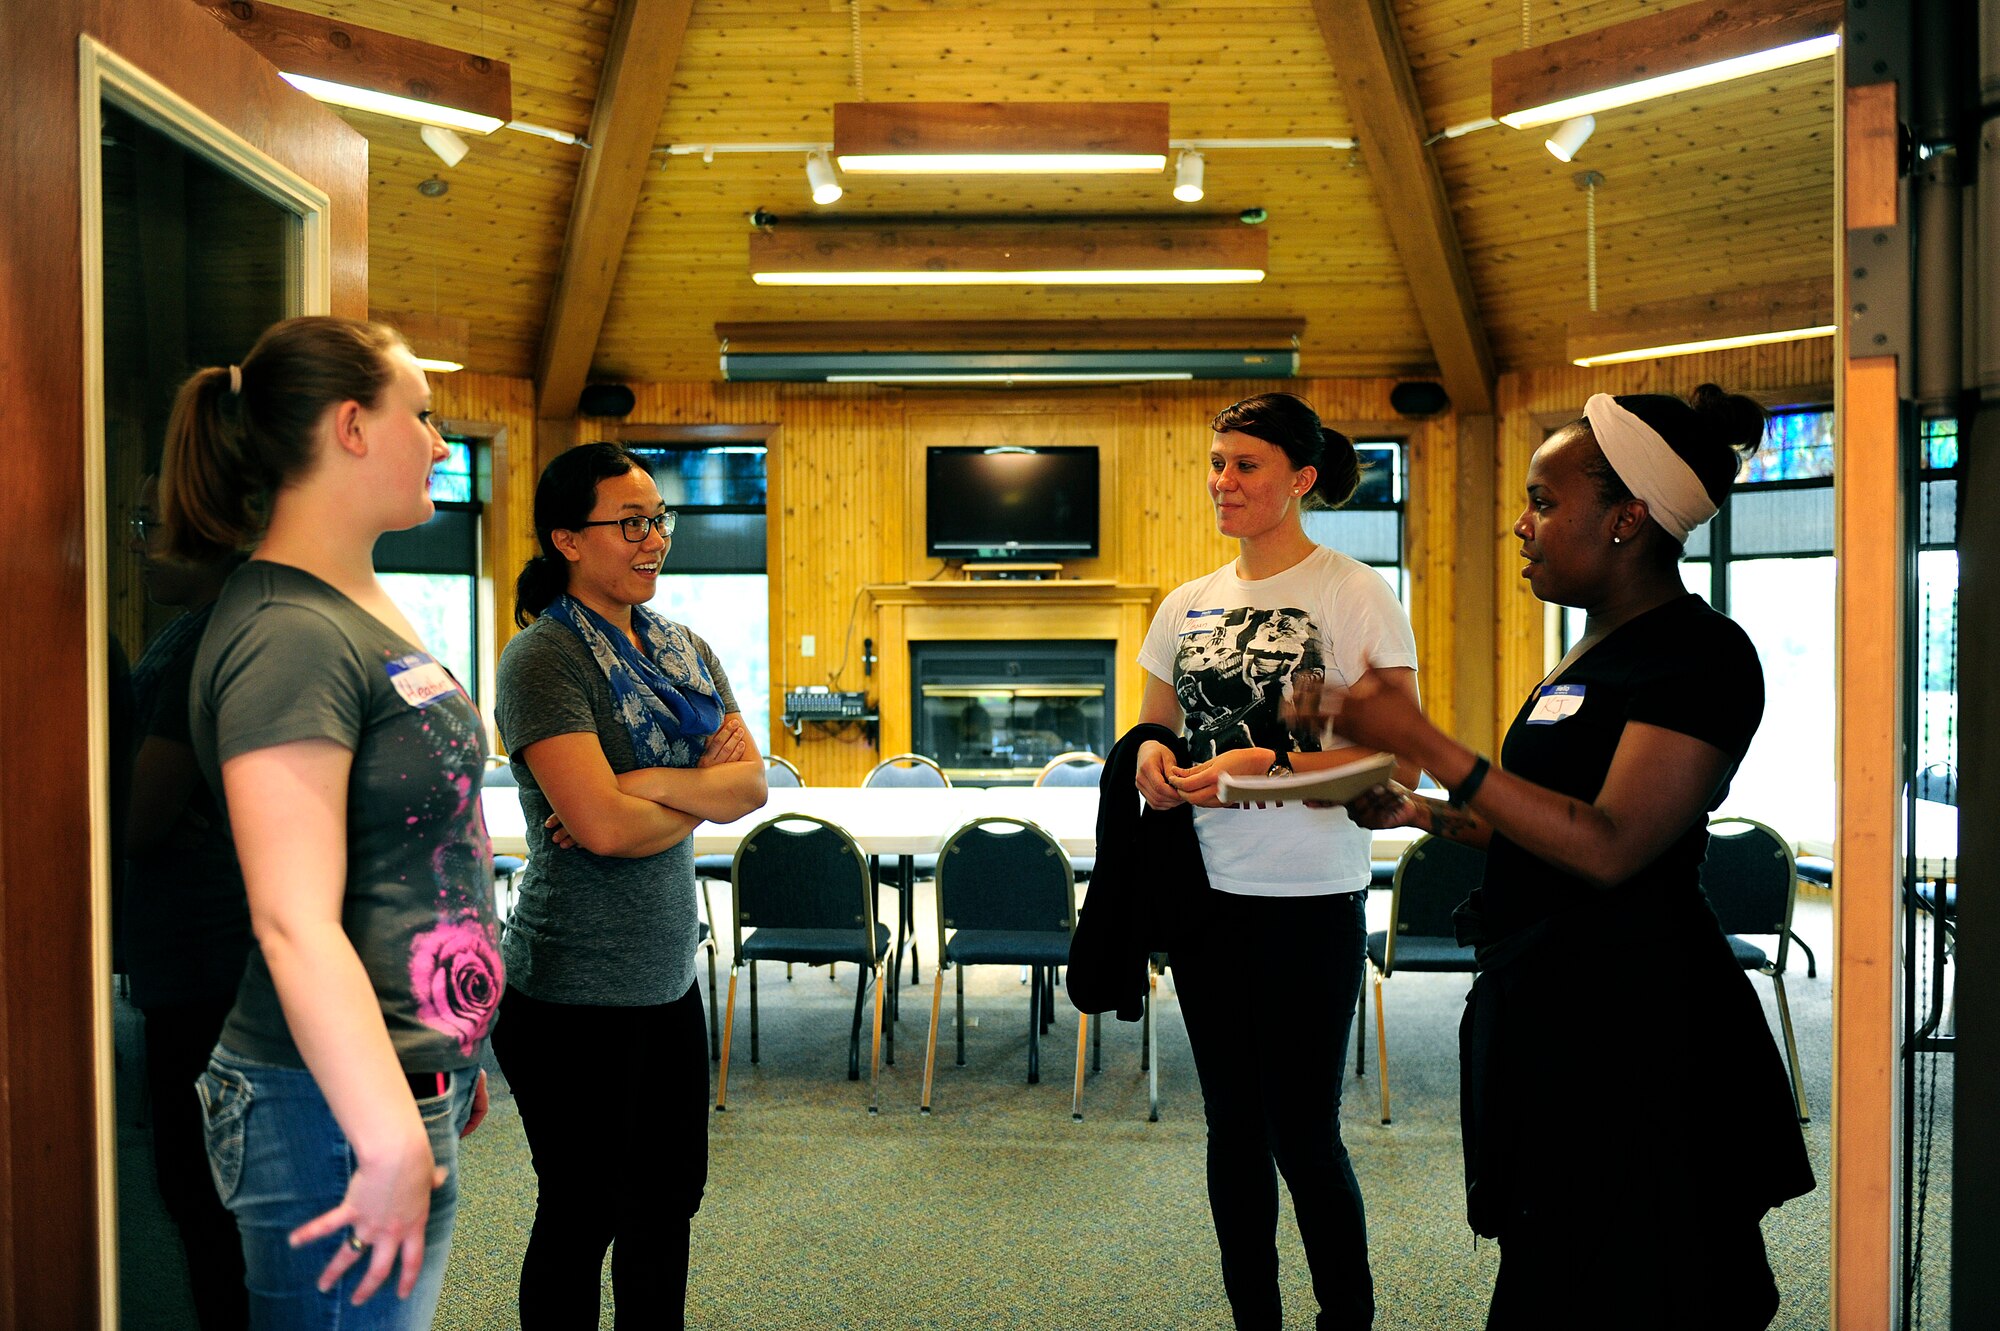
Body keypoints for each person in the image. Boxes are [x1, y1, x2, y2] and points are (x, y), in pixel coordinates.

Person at [1322, 386, 1814, 1328]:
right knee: (1555, 1273)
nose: (1522, 524)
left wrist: (1425, 741)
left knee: (1650, 1289)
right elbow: (1546, 823)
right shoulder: (1589, 649)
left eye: (1544, 502)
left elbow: (1609, 844)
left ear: (1627, 519)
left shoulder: (1701, 655)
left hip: (1643, 1030)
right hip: (1559, 1010)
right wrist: (1420, 810)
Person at [171, 316, 501, 1328]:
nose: (440, 444)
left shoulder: (353, 601)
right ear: (352, 426)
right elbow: (292, 919)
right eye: (423, 415)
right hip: (324, 1104)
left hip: (388, 1076)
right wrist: (388, 1125)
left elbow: (409, 850)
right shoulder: (289, 633)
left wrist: (443, 1045)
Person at [1133, 392, 1421, 1331]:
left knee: (1303, 1134)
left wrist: (1276, 769)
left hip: (1310, 900)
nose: (1223, 481)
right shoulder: (1184, 604)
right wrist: (1147, 759)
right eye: (1216, 463)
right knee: (1232, 1132)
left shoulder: (1354, 592)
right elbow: (1152, 728)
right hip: (1207, 901)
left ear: (1300, 478)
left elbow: (1399, 766)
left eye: (1245, 465)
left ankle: (1347, 1320)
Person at [492, 442, 767, 1328]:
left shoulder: (684, 648)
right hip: (570, 988)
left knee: (665, 1208)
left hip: (665, 979)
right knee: (583, 1213)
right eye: (631, 523)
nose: (655, 539)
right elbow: (603, 832)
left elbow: (751, 787)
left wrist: (639, 784)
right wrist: (693, 792)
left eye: (659, 519)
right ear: (568, 538)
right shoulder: (544, 658)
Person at [123, 476, 252, 1329]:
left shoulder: (211, 637)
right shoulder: (200, 626)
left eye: (149, 520)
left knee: (209, 1204)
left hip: (209, 965)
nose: (136, 541)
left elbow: (138, 816)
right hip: (194, 959)